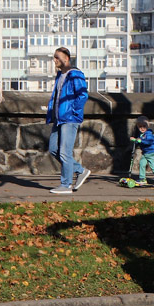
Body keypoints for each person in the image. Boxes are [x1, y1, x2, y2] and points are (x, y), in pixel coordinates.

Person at [47, 47, 90, 195]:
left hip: (70, 118)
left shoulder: (75, 74)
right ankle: (80, 170)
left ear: (66, 59)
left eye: (57, 57)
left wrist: (73, 112)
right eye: (54, 57)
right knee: (53, 149)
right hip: (59, 119)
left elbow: (82, 95)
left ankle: (66, 185)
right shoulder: (60, 75)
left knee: (65, 152)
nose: (54, 60)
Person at [131, 115, 154, 188]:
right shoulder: (141, 135)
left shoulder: (149, 134)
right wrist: (135, 140)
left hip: (152, 153)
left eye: (144, 126)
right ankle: (142, 179)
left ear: (148, 126)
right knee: (142, 164)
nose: (142, 128)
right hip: (145, 153)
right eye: (140, 126)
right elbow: (139, 142)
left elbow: (148, 142)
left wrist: (140, 140)